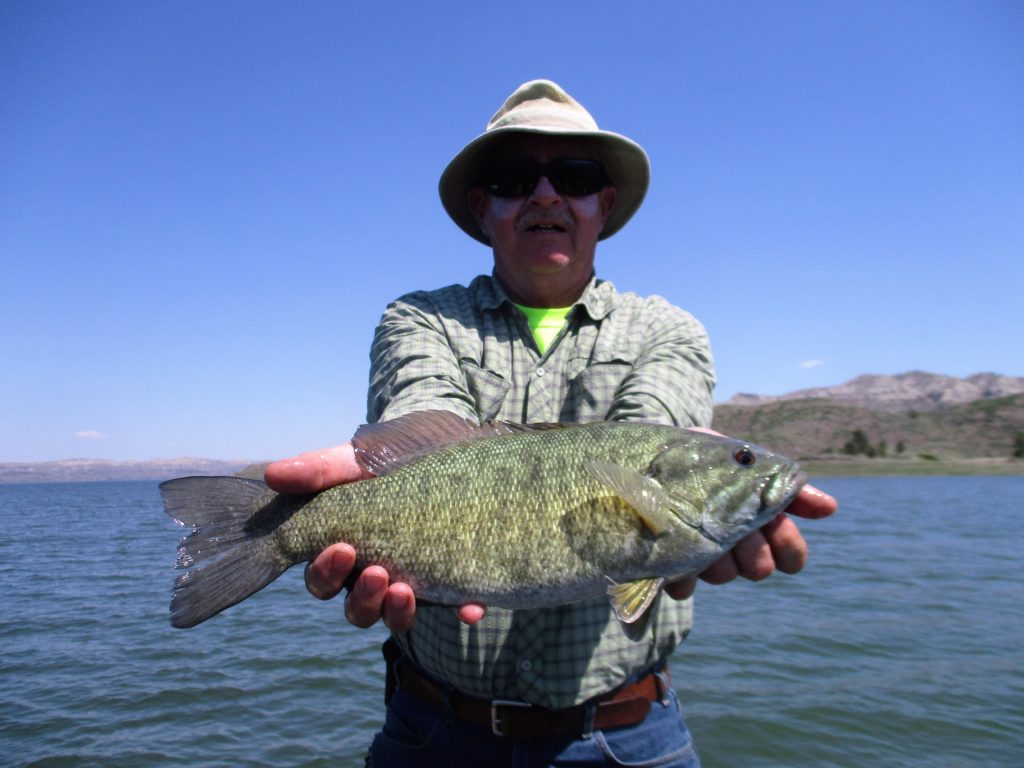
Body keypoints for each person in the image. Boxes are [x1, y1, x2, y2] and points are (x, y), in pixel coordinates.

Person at [266, 80, 836, 767]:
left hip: (628, 736)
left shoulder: (668, 330)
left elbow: (649, 436)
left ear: (605, 203)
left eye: (574, 176)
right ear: (483, 207)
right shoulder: (417, 319)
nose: (545, 196)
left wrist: (711, 495)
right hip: (432, 729)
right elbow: (423, 418)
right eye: (514, 178)